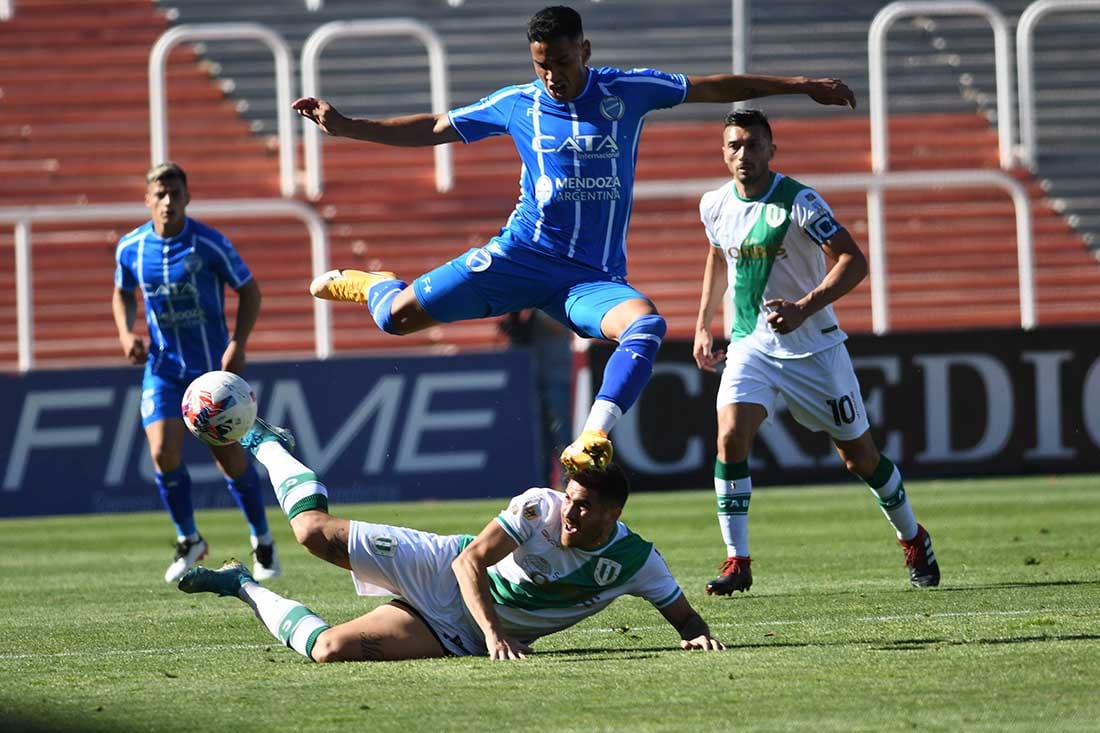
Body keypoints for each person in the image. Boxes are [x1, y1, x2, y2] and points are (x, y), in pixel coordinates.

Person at [294, 5, 856, 475]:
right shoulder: (517, 103)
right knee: (396, 317)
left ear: (584, 50)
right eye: (542, 66)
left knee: (647, 326)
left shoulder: (628, 91)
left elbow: (715, 88)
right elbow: (437, 127)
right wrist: (348, 127)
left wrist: (800, 86)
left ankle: (592, 438)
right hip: (521, 257)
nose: (553, 76)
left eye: (561, 62)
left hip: (590, 279)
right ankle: (374, 286)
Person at [178, 417, 725, 661]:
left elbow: (685, 618)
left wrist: (697, 636)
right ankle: (265, 442)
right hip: (442, 570)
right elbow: (470, 563)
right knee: (312, 533)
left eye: (584, 509)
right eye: (570, 500)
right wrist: (495, 633)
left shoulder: (635, 560)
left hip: (453, 634)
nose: (570, 516)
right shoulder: (540, 506)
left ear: (615, 513)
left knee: (328, 650)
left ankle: (242, 586)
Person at [692, 109, 940, 595]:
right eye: (735, 145)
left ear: (772, 150)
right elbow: (718, 256)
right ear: (724, 152)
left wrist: (805, 307)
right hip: (750, 344)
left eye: (754, 145)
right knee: (730, 438)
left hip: (814, 350)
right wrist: (703, 324)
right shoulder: (713, 205)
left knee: (860, 458)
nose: (744, 154)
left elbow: (854, 261)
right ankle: (736, 560)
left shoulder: (799, 202)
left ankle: (913, 536)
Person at [112, 162, 280, 584]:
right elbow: (121, 292)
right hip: (163, 369)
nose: (168, 201)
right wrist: (125, 333)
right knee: (162, 452)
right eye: (160, 194)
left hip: (209, 375)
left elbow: (250, 289)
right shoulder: (130, 247)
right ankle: (190, 538)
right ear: (148, 199)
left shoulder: (209, 244)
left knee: (229, 459)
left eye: (175, 194)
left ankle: (262, 540)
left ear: (188, 197)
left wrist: (237, 343)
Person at [499, 309, 575, 487]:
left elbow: (561, 326)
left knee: (562, 431)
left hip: (556, 373)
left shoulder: (555, 303)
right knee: (540, 437)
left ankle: (571, 479)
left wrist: (534, 304)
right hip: (532, 375)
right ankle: (542, 485)